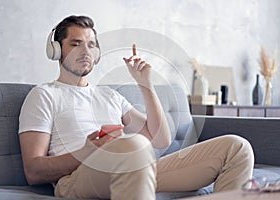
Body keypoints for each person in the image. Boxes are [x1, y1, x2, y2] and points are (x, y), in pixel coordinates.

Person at [18, 15, 254, 200]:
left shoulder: (109, 96)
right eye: (76, 44)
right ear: (56, 50)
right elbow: (33, 171)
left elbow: (161, 139)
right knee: (132, 144)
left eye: (91, 45)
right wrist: (87, 151)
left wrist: (145, 83)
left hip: (133, 168)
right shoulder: (44, 95)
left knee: (237, 147)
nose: (85, 51)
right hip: (76, 178)